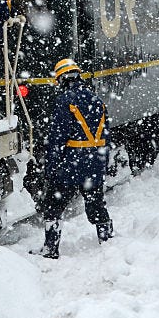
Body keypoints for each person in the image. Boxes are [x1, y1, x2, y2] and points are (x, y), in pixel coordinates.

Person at [33, 58, 113, 259]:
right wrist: (103, 163)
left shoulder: (64, 101)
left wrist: (51, 168)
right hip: (94, 161)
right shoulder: (97, 100)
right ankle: (108, 240)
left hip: (72, 163)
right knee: (95, 204)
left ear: (61, 79)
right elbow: (106, 136)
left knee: (53, 206)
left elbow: (57, 139)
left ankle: (51, 249)